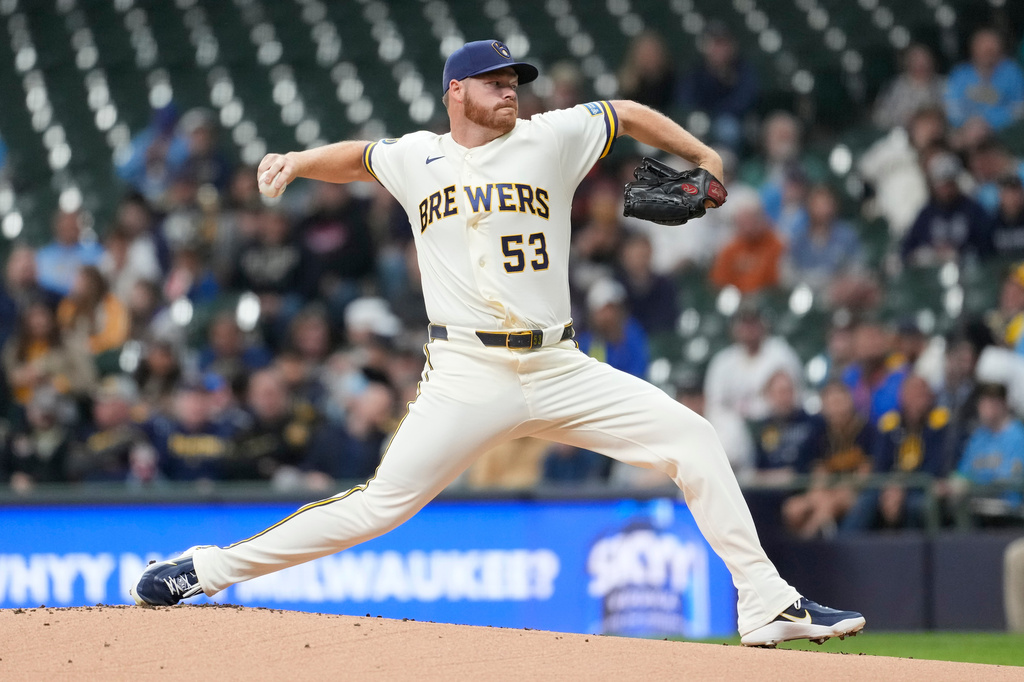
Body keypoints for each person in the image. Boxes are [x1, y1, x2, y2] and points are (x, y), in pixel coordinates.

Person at [130, 39, 863, 647]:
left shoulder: (553, 136)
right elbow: (360, 157)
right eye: (494, 80)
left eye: (515, 78)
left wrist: (704, 153)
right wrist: (295, 160)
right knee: (379, 506)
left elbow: (628, 112)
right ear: (455, 91)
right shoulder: (417, 156)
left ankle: (765, 603)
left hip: (558, 363)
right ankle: (207, 568)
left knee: (695, 440)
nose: (510, 89)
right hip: (466, 370)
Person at [947, 382, 1024, 526]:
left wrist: (971, 484)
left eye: (994, 401)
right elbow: (964, 472)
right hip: (976, 509)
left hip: (1009, 514)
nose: (988, 406)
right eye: (985, 401)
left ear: (1004, 404)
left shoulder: (1018, 436)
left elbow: (1008, 481)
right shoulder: (978, 436)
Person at [901, 151, 995, 266]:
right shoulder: (927, 213)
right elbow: (907, 249)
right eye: (942, 185)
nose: (946, 190)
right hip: (932, 274)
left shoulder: (973, 210)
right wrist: (927, 254)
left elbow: (987, 247)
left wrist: (959, 253)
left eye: (949, 184)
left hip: (966, 270)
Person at [944, 27, 1024, 138]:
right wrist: (969, 124)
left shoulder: (1012, 72)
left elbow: (1020, 109)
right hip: (967, 133)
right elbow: (952, 109)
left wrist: (989, 123)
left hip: (1005, 133)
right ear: (973, 49)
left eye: (992, 46)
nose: (988, 51)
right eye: (984, 47)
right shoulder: (960, 74)